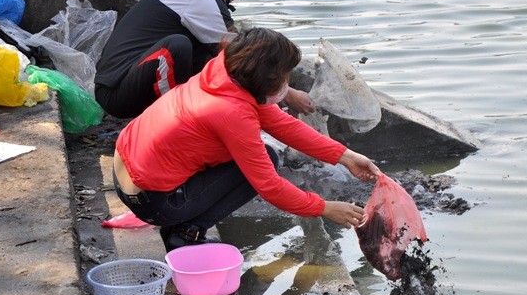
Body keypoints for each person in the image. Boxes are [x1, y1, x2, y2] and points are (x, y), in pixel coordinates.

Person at [112, 27, 380, 251]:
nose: (287, 83)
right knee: (264, 162)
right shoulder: (232, 113)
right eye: (284, 77)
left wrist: (347, 157)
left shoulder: (224, 72)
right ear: (266, 78)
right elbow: (270, 187)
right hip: (151, 200)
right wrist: (325, 208)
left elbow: (283, 124)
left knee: (261, 155)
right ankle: (186, 233)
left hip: (125, 168)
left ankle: (182, 221)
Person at [95, 0, 314, 119]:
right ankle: (172, 124)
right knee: (179, 47)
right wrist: (288, 94)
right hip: (116, 94)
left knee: (206, 56)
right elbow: (243, 56)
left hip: (128, 83)